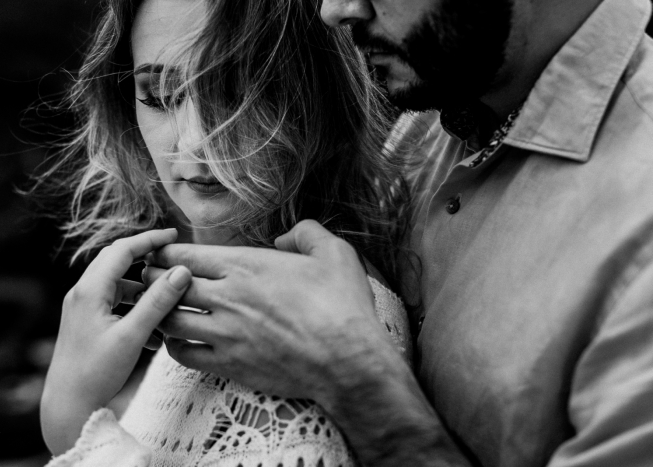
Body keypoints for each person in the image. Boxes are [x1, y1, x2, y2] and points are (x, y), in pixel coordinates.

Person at [143, 0, 653, 465]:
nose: (335, 10)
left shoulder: (637, 233)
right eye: (159, 94)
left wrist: (354, 379)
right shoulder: (434, 110)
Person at [36, 0, 414, 465]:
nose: (195, 140)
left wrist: (72, 424)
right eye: (158, 93)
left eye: (235, 91)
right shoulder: (216, 305)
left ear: (319, 95)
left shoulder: (299, 338)